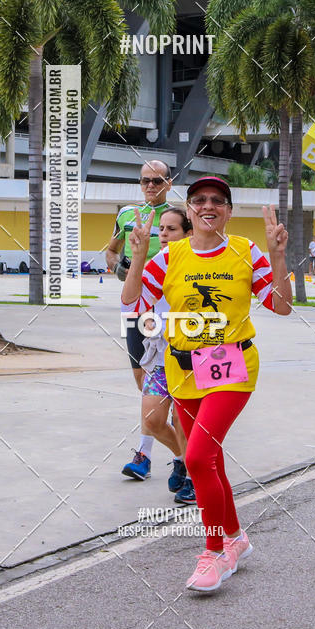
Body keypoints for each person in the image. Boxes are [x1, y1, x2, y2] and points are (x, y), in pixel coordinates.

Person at [122, 175, 292, 593]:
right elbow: (132, 302)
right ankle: (236, 538)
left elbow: (283, 305)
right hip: (183, 371)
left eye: (218, 200)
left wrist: (278, 256)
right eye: (198, 200)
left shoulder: (245, 251)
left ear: (229, 211)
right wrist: (140, 258)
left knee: (196, 458)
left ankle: (215, 551)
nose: (207, 206)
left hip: (232, 365)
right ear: (190, 208)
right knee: (210, 461)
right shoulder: (171, 254)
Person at [106, 160, 185, 490]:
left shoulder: (179, 217)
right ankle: (174, 453)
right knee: (146, 386)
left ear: (169, 182)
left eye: (156, 180)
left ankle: (146, 455)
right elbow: (111, 253)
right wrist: (120, 270)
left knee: (176, 393)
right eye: (144, 181)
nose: (150, 186)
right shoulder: (127, 215)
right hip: (137, 311)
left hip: (174, 314)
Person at [131, 207, 196, 504]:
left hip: (191, 356)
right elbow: (132, 300)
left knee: (185, 421)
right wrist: (139, 255)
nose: (165, 235)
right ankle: (181, 457)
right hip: (160, 354)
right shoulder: (157, 263)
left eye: (172, 229)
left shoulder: (196, 263)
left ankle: (194, 478)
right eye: (162, 230)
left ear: (188, 233)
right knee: (152, 418)